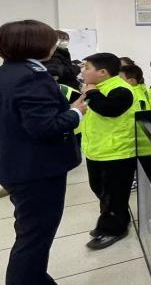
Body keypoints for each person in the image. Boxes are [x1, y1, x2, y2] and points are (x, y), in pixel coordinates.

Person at [0, 20, 86, 285]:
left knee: (31, 231)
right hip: (37, 170)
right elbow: (44, 127)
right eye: (52, 41)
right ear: (36, 44)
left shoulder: (8, 72)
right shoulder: (32, 77)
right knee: (34, 237)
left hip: (16, 163)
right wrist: (76, 112)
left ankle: (36, 277)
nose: (55, 46)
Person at [81, 52, 140, 250]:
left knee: (114, 195)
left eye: (87, 68)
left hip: (117, 153)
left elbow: (109, 110)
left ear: (103, 72)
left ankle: (113, 229)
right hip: (98, 150)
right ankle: (115, 219)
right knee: (101, 189)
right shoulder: (98, 88)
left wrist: (91, 93)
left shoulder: (121, 89)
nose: (83, 71)